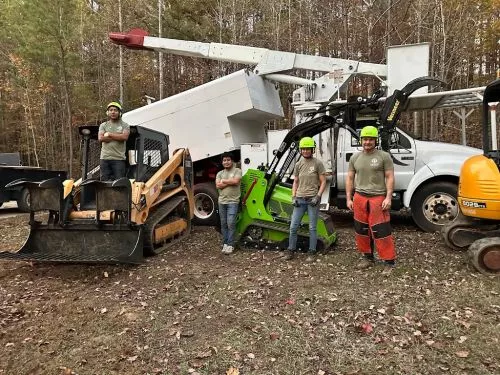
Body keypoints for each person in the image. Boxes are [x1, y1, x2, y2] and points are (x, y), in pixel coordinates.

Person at [346, 125, 396, 269]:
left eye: (370, 139)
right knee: (361, 229)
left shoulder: (384, 156)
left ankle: (389, 261)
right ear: (361, 140)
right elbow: (350, 178)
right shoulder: (355, 157)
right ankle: (367, 257)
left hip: (378, 198)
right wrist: (349, 198)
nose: (367, 142)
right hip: (360, 198)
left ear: (376, 140)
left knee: (381, 230)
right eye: (365, 139)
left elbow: (390, 177)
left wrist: (388, 198)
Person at [285, 137, 326, 261]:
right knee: (293, 226)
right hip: (300, 200)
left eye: (308, 148)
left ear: (312, 150)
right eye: (303, 149)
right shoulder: (298, 164)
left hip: (312, 199)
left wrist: (318, 196)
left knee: (312, 227)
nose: (306, 151)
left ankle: (312, 252)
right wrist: (293, 196)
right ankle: (291, 250)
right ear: (300, 150)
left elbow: (323, 181)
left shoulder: (318, 163)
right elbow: (295, 182)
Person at [216, 152, 242, 254]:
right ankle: (225, 243)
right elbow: (218, 186)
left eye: (228, 160)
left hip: (233, 201)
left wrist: (224, 181)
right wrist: (229, 181)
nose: (226, 162)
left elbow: (236, 181)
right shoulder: (219, 173)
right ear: (222, 162)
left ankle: (231, 244)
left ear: (232, 161)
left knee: (231, 223)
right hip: (222, 201)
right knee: (223, 224)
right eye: (224, 160)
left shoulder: (237, 171)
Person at [98, 101, 130, 181]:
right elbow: (101, 138)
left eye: (115, 110)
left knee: (119, 183)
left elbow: (125, 137)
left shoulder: (125, 125)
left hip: (119, 159)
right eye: (111, 110)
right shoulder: (103, 125)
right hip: (104, 159)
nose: (113, 112)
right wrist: (118, 136)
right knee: (104, 182)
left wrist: (109, 134)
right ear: (107, 112)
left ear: (119, 112)